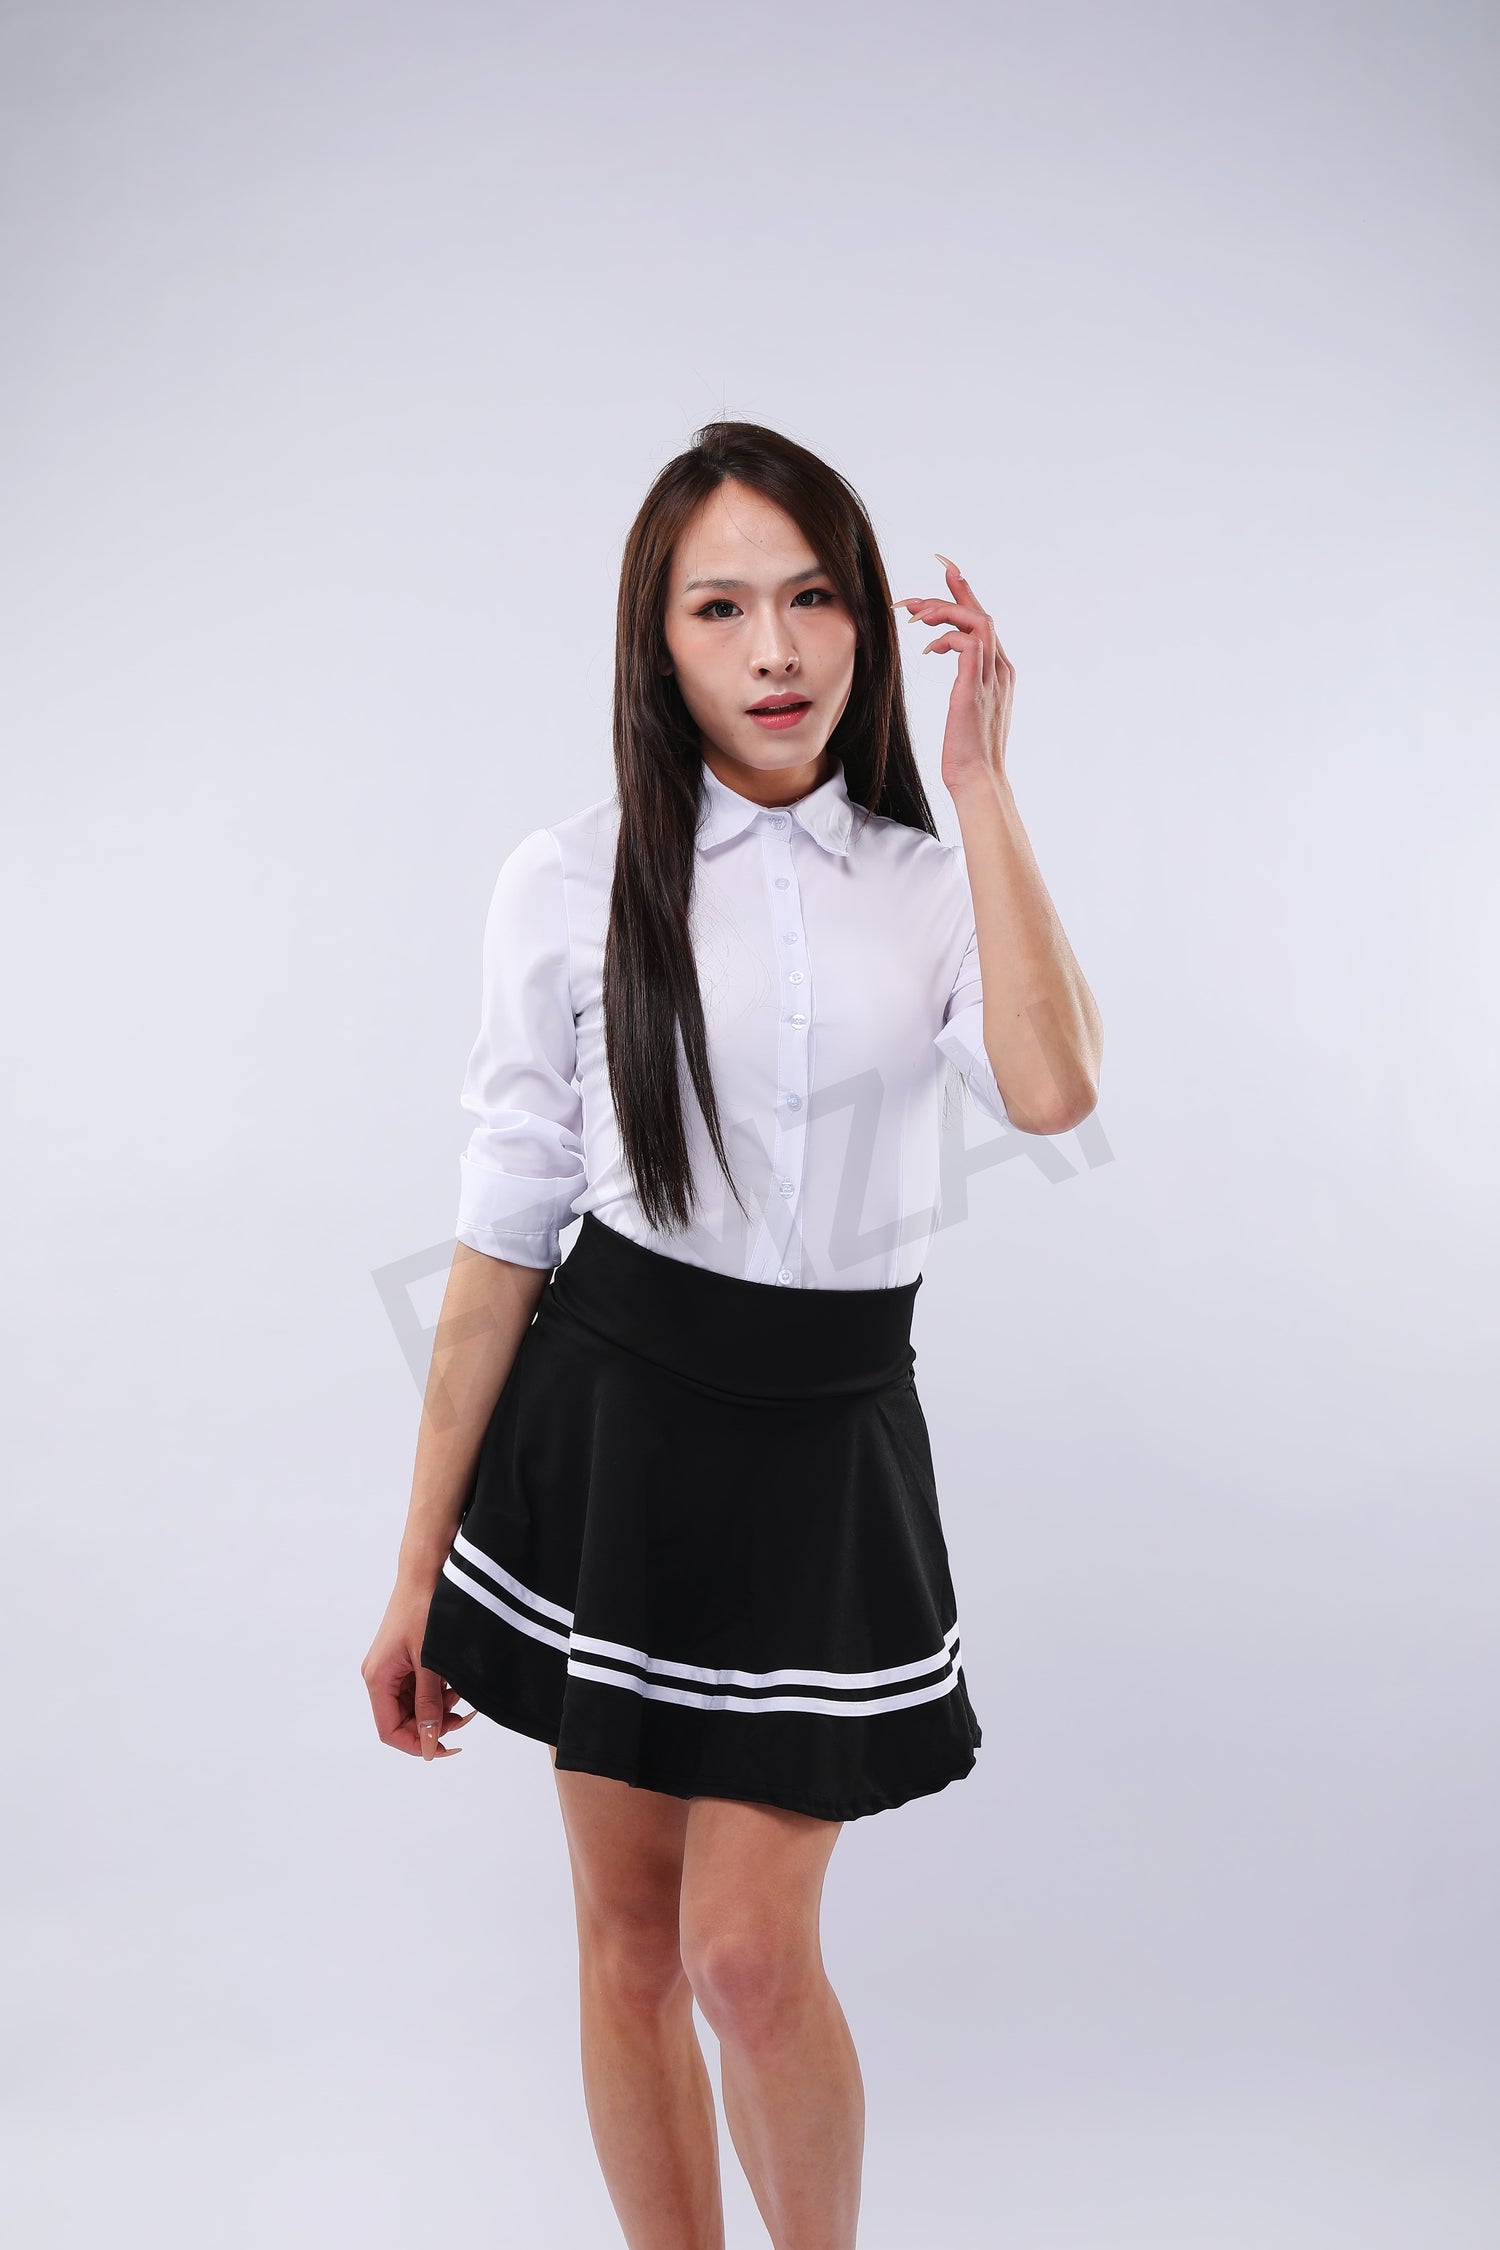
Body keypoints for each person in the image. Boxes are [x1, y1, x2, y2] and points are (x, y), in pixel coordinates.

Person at [362, 420, 1102, 2250]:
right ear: (659, 638)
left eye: (812, 598)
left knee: (750, 1955)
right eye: (720, 608)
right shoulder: (567, 876)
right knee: (629, 1945)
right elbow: (501, 1239)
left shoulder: (932, 880)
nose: (774, 649)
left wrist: (983, 787)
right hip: (609, 1424)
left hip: (824, 1441)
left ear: (862, 622)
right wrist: (412, 1575)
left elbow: (1052, 1089)